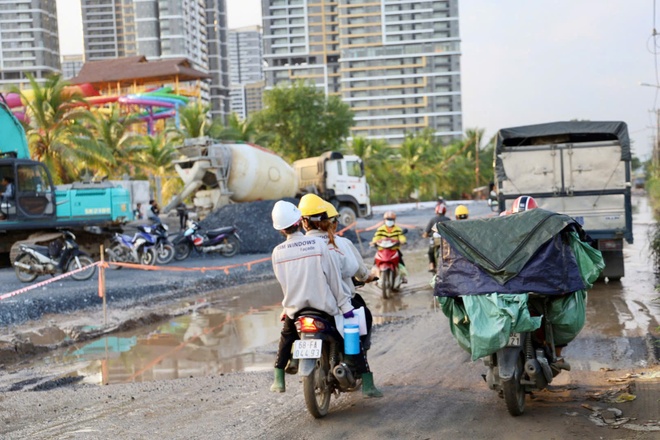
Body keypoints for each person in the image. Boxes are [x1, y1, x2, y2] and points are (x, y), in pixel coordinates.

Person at [298, 194, 383, 398]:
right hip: (338, 302)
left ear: (304, 222)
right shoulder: (339, 244)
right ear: (331, 222)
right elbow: (359, 271)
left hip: (303, 304)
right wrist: (369, 277)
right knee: (361, 323)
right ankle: (360, 369)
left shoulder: (296, 246)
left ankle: (288, 364)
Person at [269, 200, 354, 393]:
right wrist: (345, 305)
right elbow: (333, 278)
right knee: (347, 335)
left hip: (296, 309)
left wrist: (288, 307)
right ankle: (356, 371)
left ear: (281, 230)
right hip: (324, 306)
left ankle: (278, 378)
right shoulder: (318, 244)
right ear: (300, 221)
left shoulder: (277, 253)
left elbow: (285, 284)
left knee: (286, 336)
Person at [508, 195, 570, 370]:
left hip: (535, 289)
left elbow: (555, 260)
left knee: (557, 313)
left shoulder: (547, 232)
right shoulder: (502, 233)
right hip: (509, 289)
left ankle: (556, 354)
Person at [371, 211, 408, 283]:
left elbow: (401, 237)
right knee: (375, 262)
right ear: (384, 220)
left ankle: (403, 276)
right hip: (382, 249)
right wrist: (374, 242)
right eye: (388, 219)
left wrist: (402, 241)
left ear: (394, 220)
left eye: (391, 220)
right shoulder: (380, 229)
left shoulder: (398, 229)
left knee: (400, 261)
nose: (389, 221)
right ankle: (375, 276)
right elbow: (376, 237)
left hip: (394, 249)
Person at [423, 203, 451, 272]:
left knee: (430, 252)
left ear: (436, 211)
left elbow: (426, 233)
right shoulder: (448, 219)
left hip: (435, 241)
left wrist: (425, 235)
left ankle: (432, 265)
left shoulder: (433, 220)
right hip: (445, 240)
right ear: (444, 211)